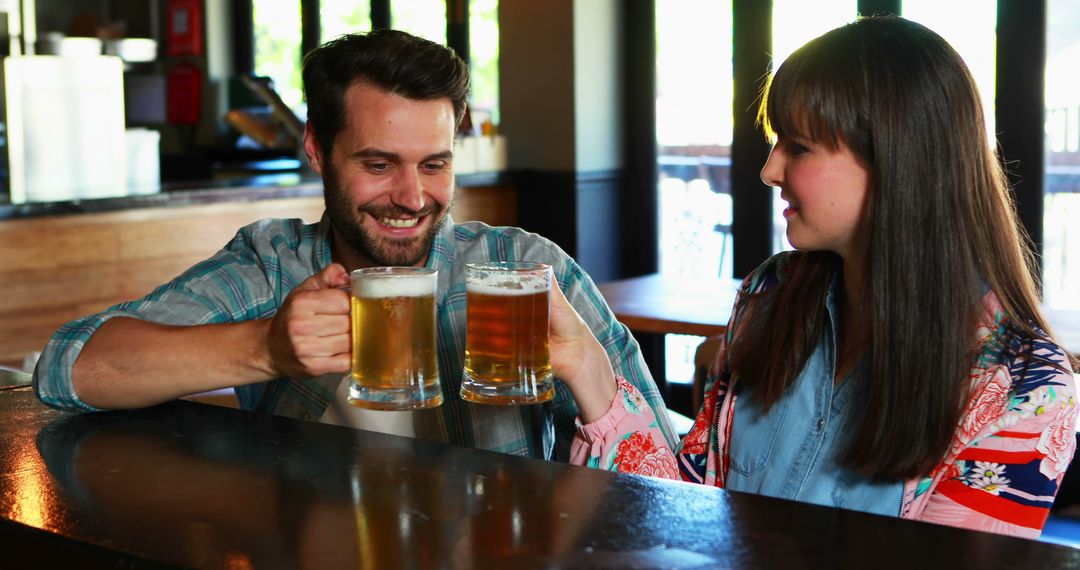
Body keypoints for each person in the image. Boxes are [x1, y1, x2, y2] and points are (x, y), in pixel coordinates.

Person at [32, 29, 675, 461]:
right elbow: (68, 367)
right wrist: (263, 348)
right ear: (317, 148)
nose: (411, 196)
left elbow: (667, 471)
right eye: (377, 164)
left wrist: (589, 374)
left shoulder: (521, 269)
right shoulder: (273, 264)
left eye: (434, 164)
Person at [549, 15, 1077, 538]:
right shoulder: (769, 295)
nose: (769, 170)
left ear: (898, 161)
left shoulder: (1024, 385)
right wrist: (591, 371)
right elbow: (692, 511)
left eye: (798, 147)